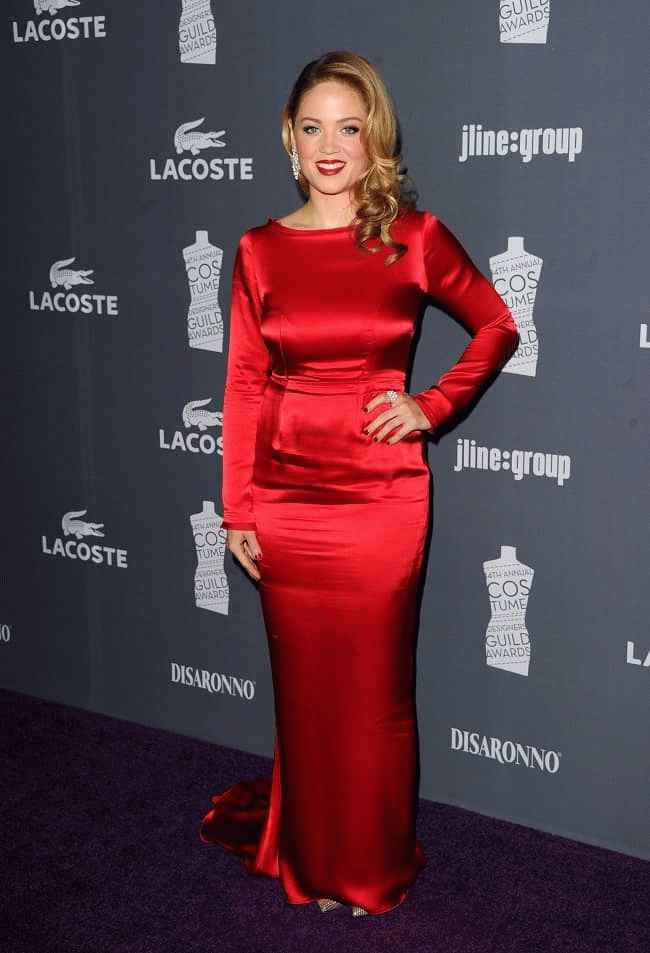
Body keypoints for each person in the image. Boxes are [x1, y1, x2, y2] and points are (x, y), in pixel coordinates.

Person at [199, 50, 520, 918]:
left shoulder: (415, 238)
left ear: (375, 137)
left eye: (349, 127)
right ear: (289, 138)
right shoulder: (259, 250)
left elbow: (497, 323)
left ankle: (369, 864)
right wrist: (238, 506)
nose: (330, 145)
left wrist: (431, 404)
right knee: (305, 689)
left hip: (381, 495)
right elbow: (243, 383)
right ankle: (312, 855)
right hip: (286, 495)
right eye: (313, 128)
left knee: (375, 692)